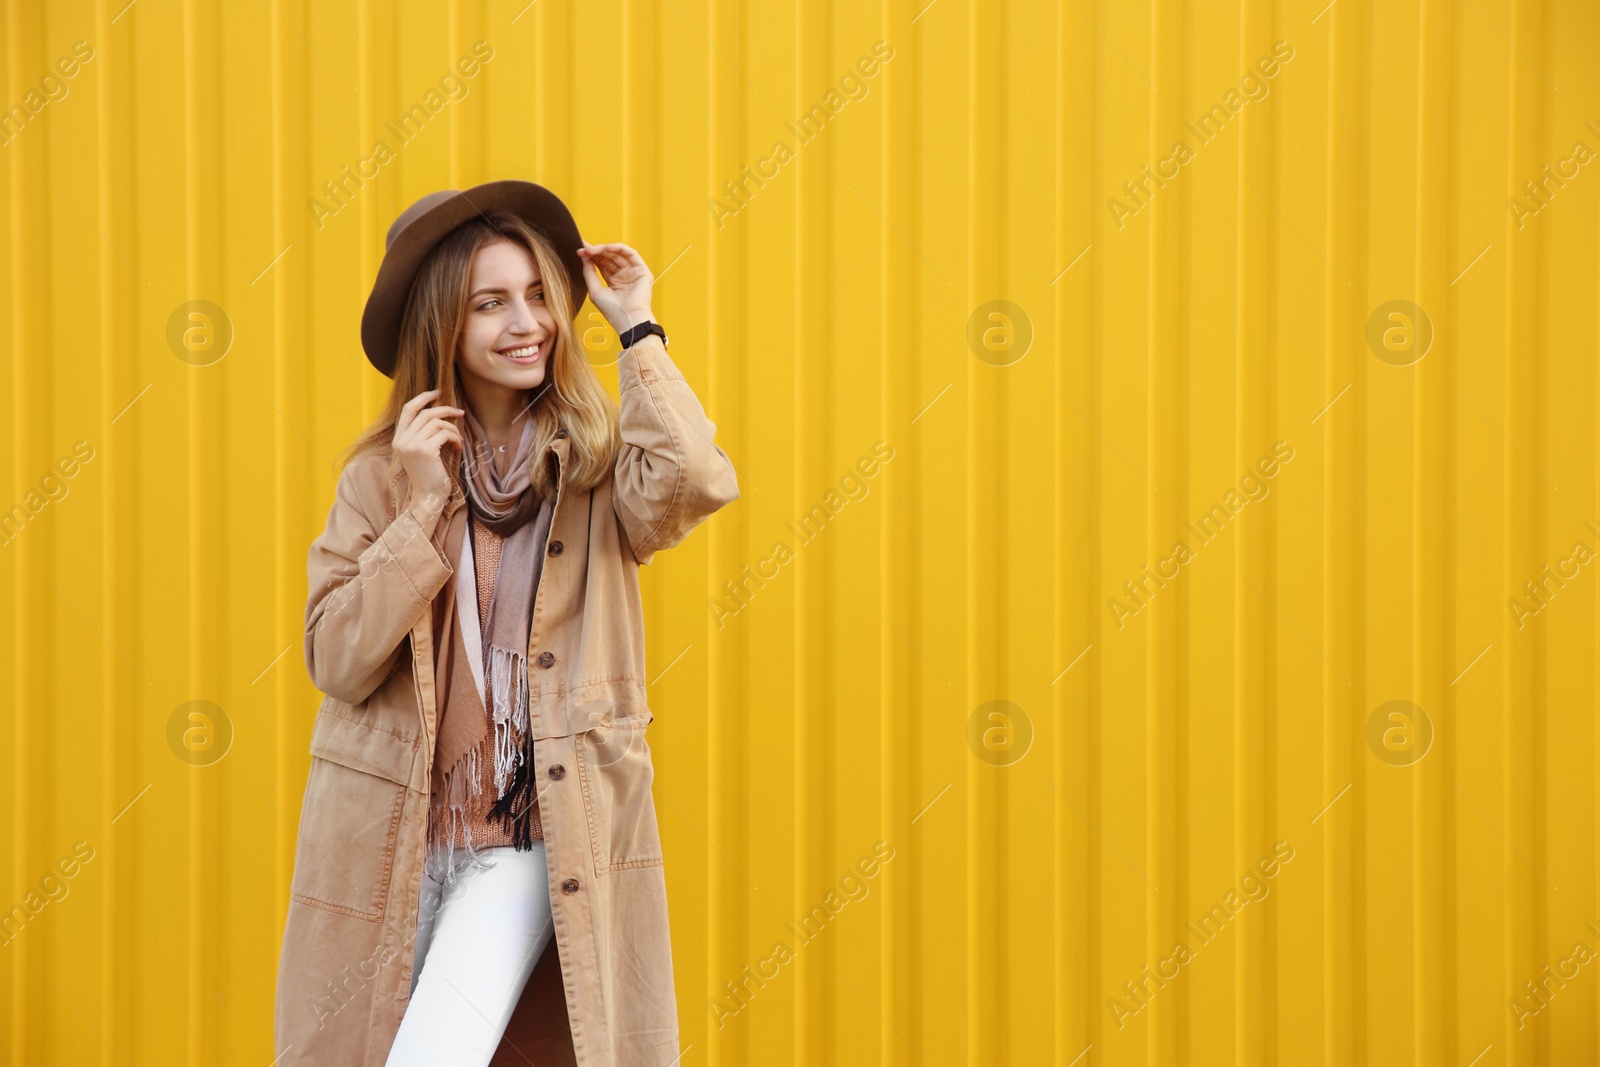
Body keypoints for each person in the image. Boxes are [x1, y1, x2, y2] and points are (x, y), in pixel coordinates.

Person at [274, 180, 739, 1067]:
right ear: (441, 327)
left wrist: (636, 326)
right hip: (389, 838)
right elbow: (334, 657)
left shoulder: (597, 464)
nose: (527, 322)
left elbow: (694, 480)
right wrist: (418, 512)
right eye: (491, 302)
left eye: (537, 295)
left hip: (528, 834)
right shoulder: (380, 478)